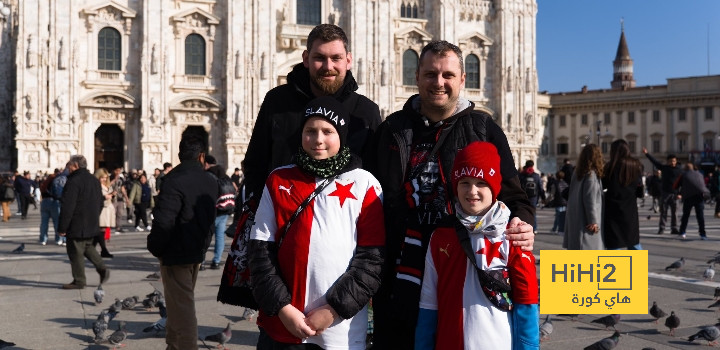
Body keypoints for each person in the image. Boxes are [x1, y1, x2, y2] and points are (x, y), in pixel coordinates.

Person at [365, 40, 535, 350]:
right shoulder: (392, 130)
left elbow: (515, 197)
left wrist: (523, 224)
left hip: (460, 273)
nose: (439, 83)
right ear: (417, 76)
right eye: (430, 74)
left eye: (447, 75)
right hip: (400, 274)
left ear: (462, 80)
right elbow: (371, 201)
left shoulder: (483, 127)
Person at [249, 97, 385, 350]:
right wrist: (282, 308)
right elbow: (259, 252)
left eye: (327, 131)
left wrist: (334, 309)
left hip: (339, 330)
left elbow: (371, 261)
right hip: (283, 325)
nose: (318, 139)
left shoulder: (364, 183)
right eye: (310, 131)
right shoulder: (279, 179)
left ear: (341, 135)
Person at [414, 141, 538, 350]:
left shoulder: (512, 236)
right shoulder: (441, 238)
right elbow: (428, 305)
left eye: (481, 183)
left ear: (495, 187)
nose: (472, 191)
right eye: (464, 182)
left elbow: (527, 305)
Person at [243, 23, 382, 203]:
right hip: (283, 218)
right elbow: (256, 162)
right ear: (306, 59)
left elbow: (377, 174)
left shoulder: (365, 111)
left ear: (348, 61)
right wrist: (260, 208)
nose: (328, 66)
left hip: (344, 222)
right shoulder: (277, 101)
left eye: (336, 58)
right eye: (319, 57)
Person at [147, 134, 218, 350]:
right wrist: (204, 247)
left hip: (175, 253)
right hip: (196, 251)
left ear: (180, 155)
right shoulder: (210, 181)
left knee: (183, 309)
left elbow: (163, 221)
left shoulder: (174, 180)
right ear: (201, 156)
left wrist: (156, 247)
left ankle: (184, 346)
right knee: (178, 305)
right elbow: (210, 221)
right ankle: (174, 345)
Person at [57, 155, 109, 289]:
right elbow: (100, 202)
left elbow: (68, 206)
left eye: (69, 165)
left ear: (75, 166)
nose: (67, 167)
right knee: (87, 246)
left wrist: (62, 227)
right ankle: (102, 268)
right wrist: (94, 216)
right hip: (91, 221)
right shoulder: (94, 180)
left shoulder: (74, 181)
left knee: (75, 250)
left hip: (76, 223)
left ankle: (79, 280)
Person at [602, 139, 643, 250]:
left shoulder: (610, 166)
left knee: (614, 242)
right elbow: (640, 190)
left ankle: (616, 266)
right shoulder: (636, 165)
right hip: (630, 207)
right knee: (633, 240)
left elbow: (603, 185)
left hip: (612, 208)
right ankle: (637, 266)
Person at [563, 144, 604, 250]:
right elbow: (589, 199)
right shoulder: (591, 175)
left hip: (575, 216)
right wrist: (593, 220)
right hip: (585, 221)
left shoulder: (577, 173)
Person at [642, 148, 682, 235]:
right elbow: (655, 162)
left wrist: (680, 193)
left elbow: (682, 183)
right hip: (665, 193)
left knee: (675, 213)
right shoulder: (664, 168)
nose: (673, 163)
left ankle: (674, 228)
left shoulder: (679, 170)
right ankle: (662, 228)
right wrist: (647, 154)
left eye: (674, 161)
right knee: (663, 212)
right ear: (667, 161)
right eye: (671, 161)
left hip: (675, 194)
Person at [205, 163, 236, 270]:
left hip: (213, 213)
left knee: (206, 237)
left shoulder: (212, 180)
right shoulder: (227, 180)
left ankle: (202, 261)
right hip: (224, 212)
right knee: (220, 237)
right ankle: (216, 261)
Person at [673, 163, 710, 240]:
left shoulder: (683, 175)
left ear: (685, 168)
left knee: (685, 216)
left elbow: (675, 186)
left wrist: (678, 193)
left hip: (688, 197)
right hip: (699, 197)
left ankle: (682, 232)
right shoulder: (700, 174)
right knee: (700, 216)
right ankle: (703, 234)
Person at [94, 168, 115, 258]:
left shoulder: (107, 185)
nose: (104, 179)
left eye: (106, 178)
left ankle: (91, 248)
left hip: (108, 208)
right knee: (101, 229)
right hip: (102, 209)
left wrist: (112, 195)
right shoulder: (96, 185)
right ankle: (103, 250)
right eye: (102, 177)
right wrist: (105, 196)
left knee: (102, 229)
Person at [519, 160, 544, 232]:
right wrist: (543, 197)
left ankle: (524, 228)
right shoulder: (536, 176)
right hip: (534, 197)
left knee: (523, 212)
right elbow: (540, 187)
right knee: (533, 213)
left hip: (524, 197)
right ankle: (534, 228)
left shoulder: (521, 175)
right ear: (533, 166)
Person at [38, 169, 61, 245]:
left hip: (44, 201)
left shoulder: (46, 181)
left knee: (44, 222)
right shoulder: (57, 181)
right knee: (57, 222)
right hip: (54, 201)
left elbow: (42, 189)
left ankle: (43, 239)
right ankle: (58, 239)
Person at [547, 171, 568, 235]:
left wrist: (547, 200)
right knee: (562, 216)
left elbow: (552, 194)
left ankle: (557, 229)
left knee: (558, 217)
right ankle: (558, 228)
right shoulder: (565, 183)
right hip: (565, 202)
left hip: (558, 201)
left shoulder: (555, 184)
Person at [110, 166, 128, 234]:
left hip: (120, 198)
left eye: (119, 171)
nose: (118, 172)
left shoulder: (121, 179)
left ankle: (118, 226)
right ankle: (111, 225)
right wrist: (114, 179)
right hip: (113, 198)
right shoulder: (110, 177)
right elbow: (108, 185)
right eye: (117, 170)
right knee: (113, 213)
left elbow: (123, 188)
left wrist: (126, 198)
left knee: (119, 213)